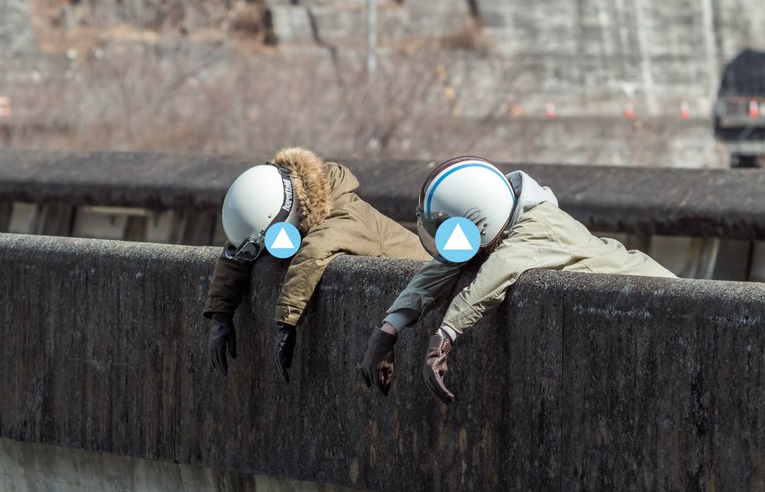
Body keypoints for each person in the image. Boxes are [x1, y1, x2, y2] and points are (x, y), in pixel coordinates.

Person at [359, 156, 677, 404]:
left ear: (479, 221)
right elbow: (439, 270)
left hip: (664, 297)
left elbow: (495, 277)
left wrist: (444, 337)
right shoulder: (500, 224)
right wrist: (387, 331)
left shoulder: (537, 228)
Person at [205, 147, 428, 380]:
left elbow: (315, 253)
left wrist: (286, 322)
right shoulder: (285, 197)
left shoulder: (344, 215)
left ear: (286, 223)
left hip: (429, 275)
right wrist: (221, 312)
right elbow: (241, 247)